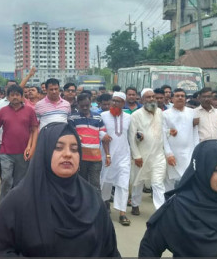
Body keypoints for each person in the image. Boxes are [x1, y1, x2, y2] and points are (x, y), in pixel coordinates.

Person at [0, 122, 152, 259]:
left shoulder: (92, 199)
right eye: (59, 148)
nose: (68, 154)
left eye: (74, 149)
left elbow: (109, 257)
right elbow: (0, 258)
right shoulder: (16, 203)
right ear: (45, 152)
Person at [0, 84, 38, 202]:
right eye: (12, 95)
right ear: (8, 97)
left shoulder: (29, 111)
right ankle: (3, 202)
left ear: (22, 96)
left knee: (20, 181)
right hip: (5, 151)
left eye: (17, 95)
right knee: (7, 179)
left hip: (23, 152)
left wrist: (32, 148)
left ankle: (17, 203)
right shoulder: (3, 111)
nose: (15, 97)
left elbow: (34, 130)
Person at [129, 88, 167, 214]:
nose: (151, 99)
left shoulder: (160, 113)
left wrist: (170, 132)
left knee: (157, 183)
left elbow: (163, 131)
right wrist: (136, 155)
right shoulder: (136, 115)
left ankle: (160, 210)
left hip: (158, 155)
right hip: (142, 155)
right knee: (138, 181)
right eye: (148, 97)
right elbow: (131, 136)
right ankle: (135, 204)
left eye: (153, 97)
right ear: (142, 100)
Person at [100, 92, 132, 225]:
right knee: (105, 182)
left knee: (123, 184)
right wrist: (102, 135)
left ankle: (122, 213)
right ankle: (104, 207)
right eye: (113, 101)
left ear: (123, 103)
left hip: (124, 155)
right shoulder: (103, 116)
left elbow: (132, 135)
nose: (114, 103)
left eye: (118, 101)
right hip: (107, 155)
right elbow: (97, 130)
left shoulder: (129, 117)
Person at [69, 92, 109, 190]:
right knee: (81, 183)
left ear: (91, 103)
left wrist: (108, 155)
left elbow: (103, 135)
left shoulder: (98, 117)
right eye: (82, 106)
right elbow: (71, 136)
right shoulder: (72, 118)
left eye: (87, 105)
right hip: (80, 158)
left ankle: (96, 205)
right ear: (77, 104)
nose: (85, 108)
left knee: (95, 184)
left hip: (96, 158)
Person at [162, 88, 198, 191]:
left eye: (182, 96)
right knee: (170, 182)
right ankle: (169, 205)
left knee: (188, 180)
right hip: (173, 153)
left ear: (186, 99)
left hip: (189, 152)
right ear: (172, 99)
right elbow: (163, 135)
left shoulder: (192, 112)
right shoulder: (166, 114)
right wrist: (168, 154)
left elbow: (195, 133)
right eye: (177, 96)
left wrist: (196, 150)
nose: (180, 98)